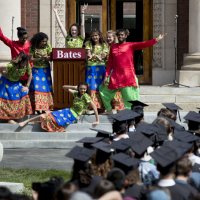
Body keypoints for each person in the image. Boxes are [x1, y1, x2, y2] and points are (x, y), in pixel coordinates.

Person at [100, 29, 165, 112]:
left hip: (127, 76)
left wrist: (156, 39)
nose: (120, 36)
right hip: (115, 76)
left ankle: (131, 117)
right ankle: (109, 110)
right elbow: (110, 64)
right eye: (119, 35)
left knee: (130, 98)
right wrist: (106, 75)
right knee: (103, 91)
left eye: (122, 35)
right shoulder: (113, 47)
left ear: (126, 36)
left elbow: (144, 44)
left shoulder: (130, 45)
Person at [18, 83, 99, 132]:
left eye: (84, 89)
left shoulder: (86, 96)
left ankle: (32, 121)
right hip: (67, 111)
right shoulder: (76, 93)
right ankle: (26, 121)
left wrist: (97, 120)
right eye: (81, 88)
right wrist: (74, 87)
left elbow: (94, 107)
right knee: (47, 115)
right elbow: (64, 87)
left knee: (50, 117)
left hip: (73, 116)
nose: (83, 90)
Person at [0, 52, 32, 123]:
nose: (25, 65)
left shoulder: (27, 64)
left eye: (26, 62)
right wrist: (5, 75)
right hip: (6, 82)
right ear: (20, 61)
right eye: (24, 63)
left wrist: (27, 86)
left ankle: (19, 116)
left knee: (24, 92)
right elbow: (1, 68)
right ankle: (8, 118)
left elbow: (30, 75)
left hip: (16, 83)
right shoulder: (11, 65)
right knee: (6, 98)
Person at [29, 32, 53, 113]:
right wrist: (39, 59)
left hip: (45, 70)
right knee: (36, 87)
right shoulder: (33, 47)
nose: (45, 43)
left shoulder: (48, 46)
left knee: (46, 87)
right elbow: (30, 59)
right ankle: (37, 107)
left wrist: (47, 58)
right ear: (38, 41)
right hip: (36, 70)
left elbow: (51, 57)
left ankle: (46, 107)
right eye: (43, 41)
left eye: (46, 41)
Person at [85, 29, 109, 110]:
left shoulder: (104, 44)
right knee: (91, 85)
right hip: (91, 67)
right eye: (93, 36)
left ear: (99, 36)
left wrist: (96, 56)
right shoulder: (88, 43)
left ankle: (101, 105)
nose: (94, 37)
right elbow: (88, 54)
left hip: (101, 67)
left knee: (100, 85)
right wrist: (94, 56)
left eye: (96, 35)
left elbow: (104, 55)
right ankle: (92, 106)